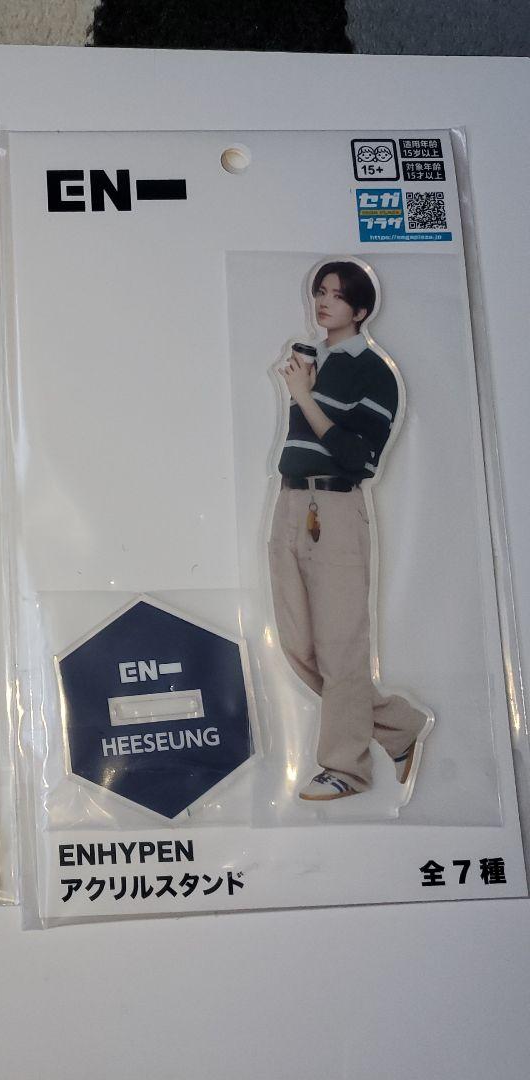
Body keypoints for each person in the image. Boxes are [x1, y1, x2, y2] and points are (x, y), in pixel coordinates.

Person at [269, 259, 433, 801]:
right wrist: (304, 385)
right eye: (321, 291)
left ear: (361, 310)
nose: (323, 302)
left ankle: (346, 768)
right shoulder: (311, 363)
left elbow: (359, 458)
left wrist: (304, 397)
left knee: (341, 648)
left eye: (337, 296)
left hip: (336, 509)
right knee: (298, 645)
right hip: (290, 503)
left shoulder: (375, 374)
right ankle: (398, 726)